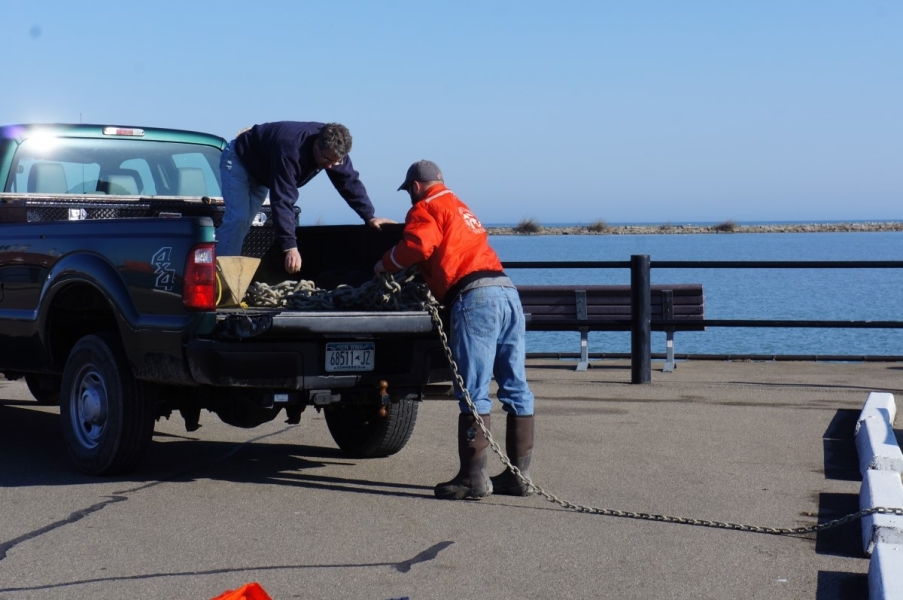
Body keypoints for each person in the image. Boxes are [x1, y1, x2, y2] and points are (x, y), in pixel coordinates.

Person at [374, 160, 535, 500]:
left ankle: (472, 479)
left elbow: (418, 246)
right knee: (516, 387)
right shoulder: (460, 206)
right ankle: (519, 477)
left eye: (409, 192)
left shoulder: (426, 206)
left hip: (474, 297)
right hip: (506, 292)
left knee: (473, 391)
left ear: (415, 186)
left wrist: (385, 262)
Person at [217, 121, 394, 273]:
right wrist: (290, 247)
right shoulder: (290, 149)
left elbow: (349, 182)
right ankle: (219, 281)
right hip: (239, 159)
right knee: (238, 219)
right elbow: (283, 199)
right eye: (327, 160)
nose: (331, 166)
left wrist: (369, 216)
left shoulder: (336, 151)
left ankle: (226, 272)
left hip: (264, 172)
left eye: (336, 161)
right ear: (317, 144)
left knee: (246, 222)